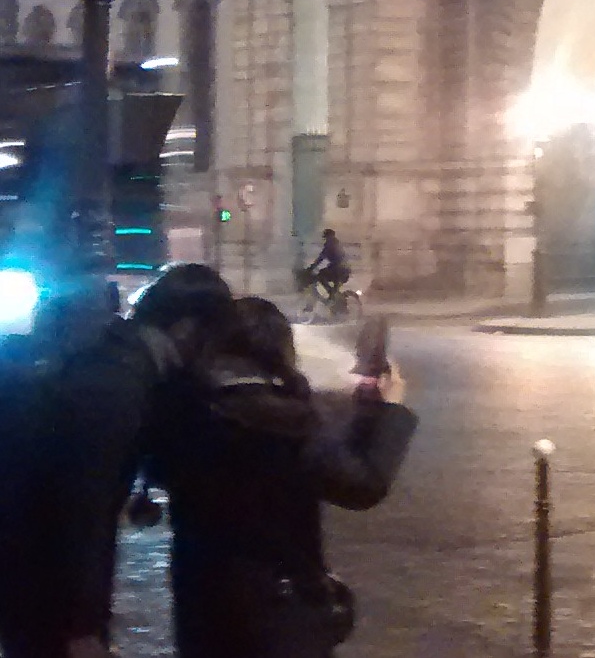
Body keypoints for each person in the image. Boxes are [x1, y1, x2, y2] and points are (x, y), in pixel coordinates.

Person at [151, 297, 416, 658]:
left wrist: (360, 413)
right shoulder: (279, 418)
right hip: (278, 609)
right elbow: (360, 484)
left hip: (202, 600)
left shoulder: (186, 407)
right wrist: (391, 409)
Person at [0, 262, 234, 658]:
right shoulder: (119, 383)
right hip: (39, 576)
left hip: (32, 566)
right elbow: (83, 507)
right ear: (187, 329)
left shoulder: (117, 359)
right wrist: (82, 626)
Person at [306, 230, 349, 307]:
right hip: (341, 270)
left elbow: (322, 257)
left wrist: (312, 267)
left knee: (320, 275)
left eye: (326, 237)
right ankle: (332, 295)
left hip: (339, 271)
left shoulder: (331, 244)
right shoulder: (335, 244)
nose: (325, 239)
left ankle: (331, 293)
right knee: (323, 274)